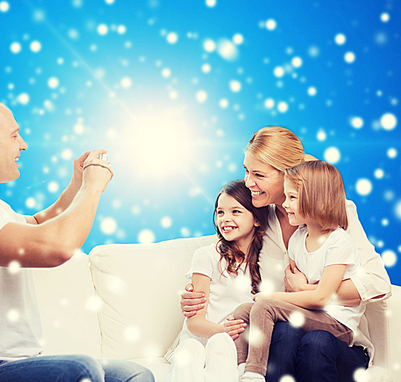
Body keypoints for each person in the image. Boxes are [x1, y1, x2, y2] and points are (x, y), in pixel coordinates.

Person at [0, 100, 154, 382]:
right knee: (82, 371)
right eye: (14, 135)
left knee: (134, 374)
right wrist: (93, 188)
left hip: (23, 363)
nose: (23, 145)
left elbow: (36, 225)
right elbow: (55, 248)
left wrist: (77, 185)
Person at [180, 126, 391, 382]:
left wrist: (310, 289)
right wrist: (195, 296)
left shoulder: (335, 214)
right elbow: (223, 254)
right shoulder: (259, 218)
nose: (248, 182)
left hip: (334, 340)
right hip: (283, 336)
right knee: (282, 333)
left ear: (289, 174)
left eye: (258, 174)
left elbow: (378, 283)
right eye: (246, 171)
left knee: (315, 342)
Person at [233, 160, 366, 382]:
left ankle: (254, 374)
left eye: (292, 197)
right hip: (311, 316)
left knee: (264, 305)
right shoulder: (298, 239)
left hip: (337, 323)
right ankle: (239, 367)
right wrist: (279, 297)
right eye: (285, 197)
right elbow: (292, 292)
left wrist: (271, 297)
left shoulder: (338, 241)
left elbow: (322, 296)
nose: (284, 204)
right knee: (243, 310)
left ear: (316, 199)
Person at [166, 180, 268, 382]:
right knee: (191, 349)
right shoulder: (207, 256)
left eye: (235, 212)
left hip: (231, 347)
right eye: (220, 212)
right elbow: (194, 322)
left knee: (222, 346)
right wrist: (223, 330)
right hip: (200, 339)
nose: (225, 219)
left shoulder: (266, 260)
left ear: (257, 219)